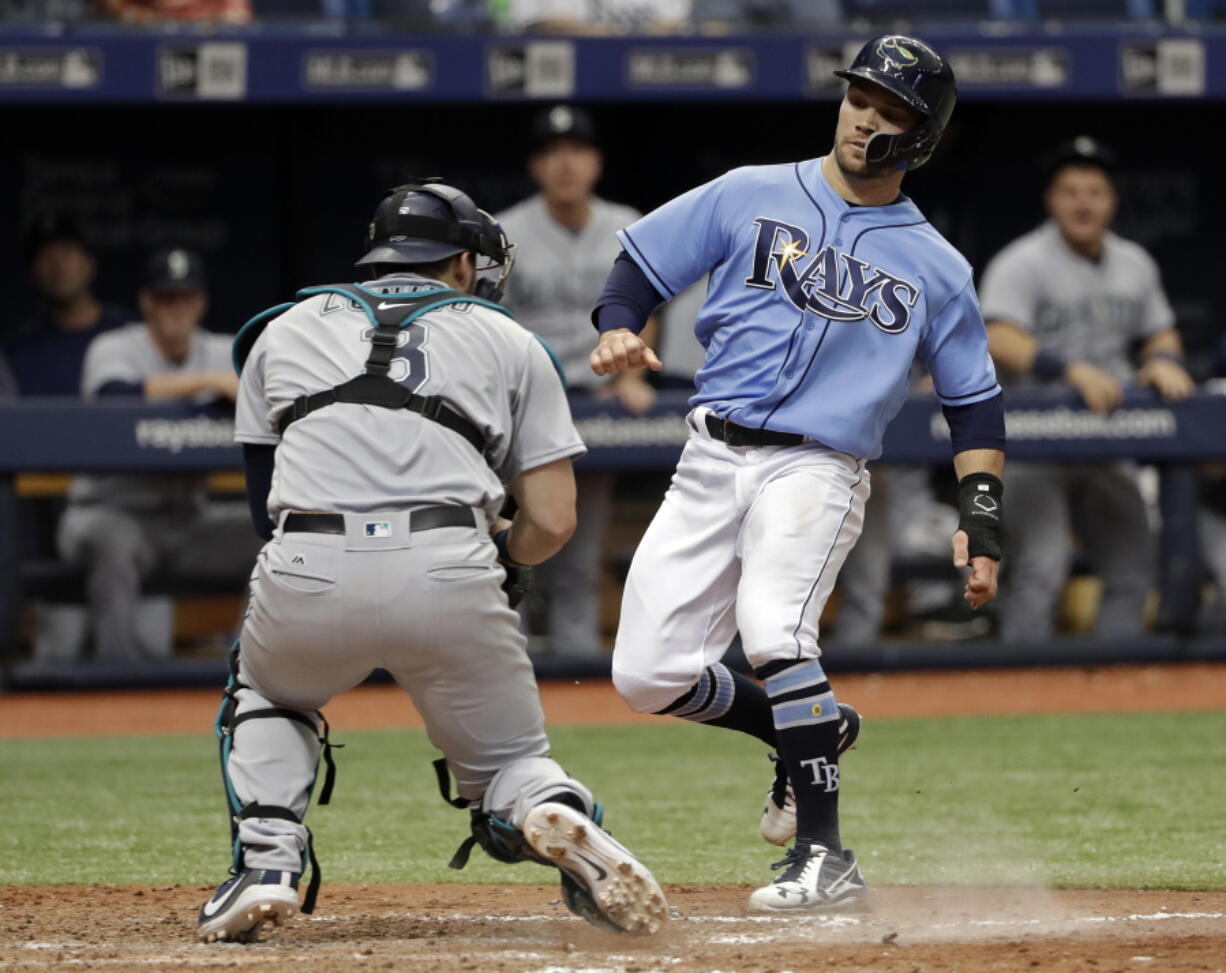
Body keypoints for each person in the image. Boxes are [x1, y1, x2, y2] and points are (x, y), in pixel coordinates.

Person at [588, 35, 1005, 912]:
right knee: (648, 674)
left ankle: (826, 855)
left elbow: (973, 402)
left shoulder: (936, 264)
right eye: (861, 97)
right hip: (709, 455)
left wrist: (982, 514)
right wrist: (619, 322)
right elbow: (642, 263)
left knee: (776, 632)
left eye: (893, 111)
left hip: (818, 466)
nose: (867, 118)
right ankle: (809, 730)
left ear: (921, 137)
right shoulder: (751, 190)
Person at [198, 178, 667, 944]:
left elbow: (264, 510)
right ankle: (545, 806)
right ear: (460, 261)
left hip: (309, 561)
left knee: (269, 692)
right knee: (510, 760)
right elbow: (553, 522)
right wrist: (504, 552)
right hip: (449, 562)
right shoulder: (511, 338)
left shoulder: (278, 330)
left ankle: (267, 860)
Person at [979, 136, 1195, 643]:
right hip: (1037, 433)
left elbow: (1161, 330)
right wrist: (1070, 369)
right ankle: (1020, 688)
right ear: (1052, 201)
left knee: (1132, 566)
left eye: (1095, 192)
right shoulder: (1022, 261)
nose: (1083, 203)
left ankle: (1109, 686)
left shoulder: (1134, 262)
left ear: (1111, 201)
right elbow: (995, 336)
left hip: (1107, 433)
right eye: (1071, 191)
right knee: (1041, 566)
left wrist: (1162, 359)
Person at [497, 105, 655, 656]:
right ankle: (504, 674)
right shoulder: (504, 232)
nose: (566, 164)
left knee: (579, 559)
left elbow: (644, 304)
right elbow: (487, 324)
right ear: (536, 166)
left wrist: (631, 371)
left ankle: (579, 674)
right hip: (521, 407)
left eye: (577, 152)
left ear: (596, 161)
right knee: (501, 552)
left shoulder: (626, 222)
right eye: (552, 153)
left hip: (592, 401)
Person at [57, 248, 260, 660]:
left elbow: (270, 398)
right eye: (166, 297)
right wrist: (206, 384)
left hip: (188, 520)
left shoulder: (223, 350)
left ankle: (246, 665)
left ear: (201, 302)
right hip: (108, 510)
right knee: (115, 544)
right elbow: (112, 395)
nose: (177, 308)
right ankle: (120, 675)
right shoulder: (113, 346)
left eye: (186, 297)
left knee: (271, 533)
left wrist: (241, 390)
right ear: (146, 301)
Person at [5, 216, 130, 396]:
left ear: (89, 264)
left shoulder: (128, 333)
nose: (58, 265)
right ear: (31, 272)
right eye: (47, 256)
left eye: (67, 253)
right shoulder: (17, 352)